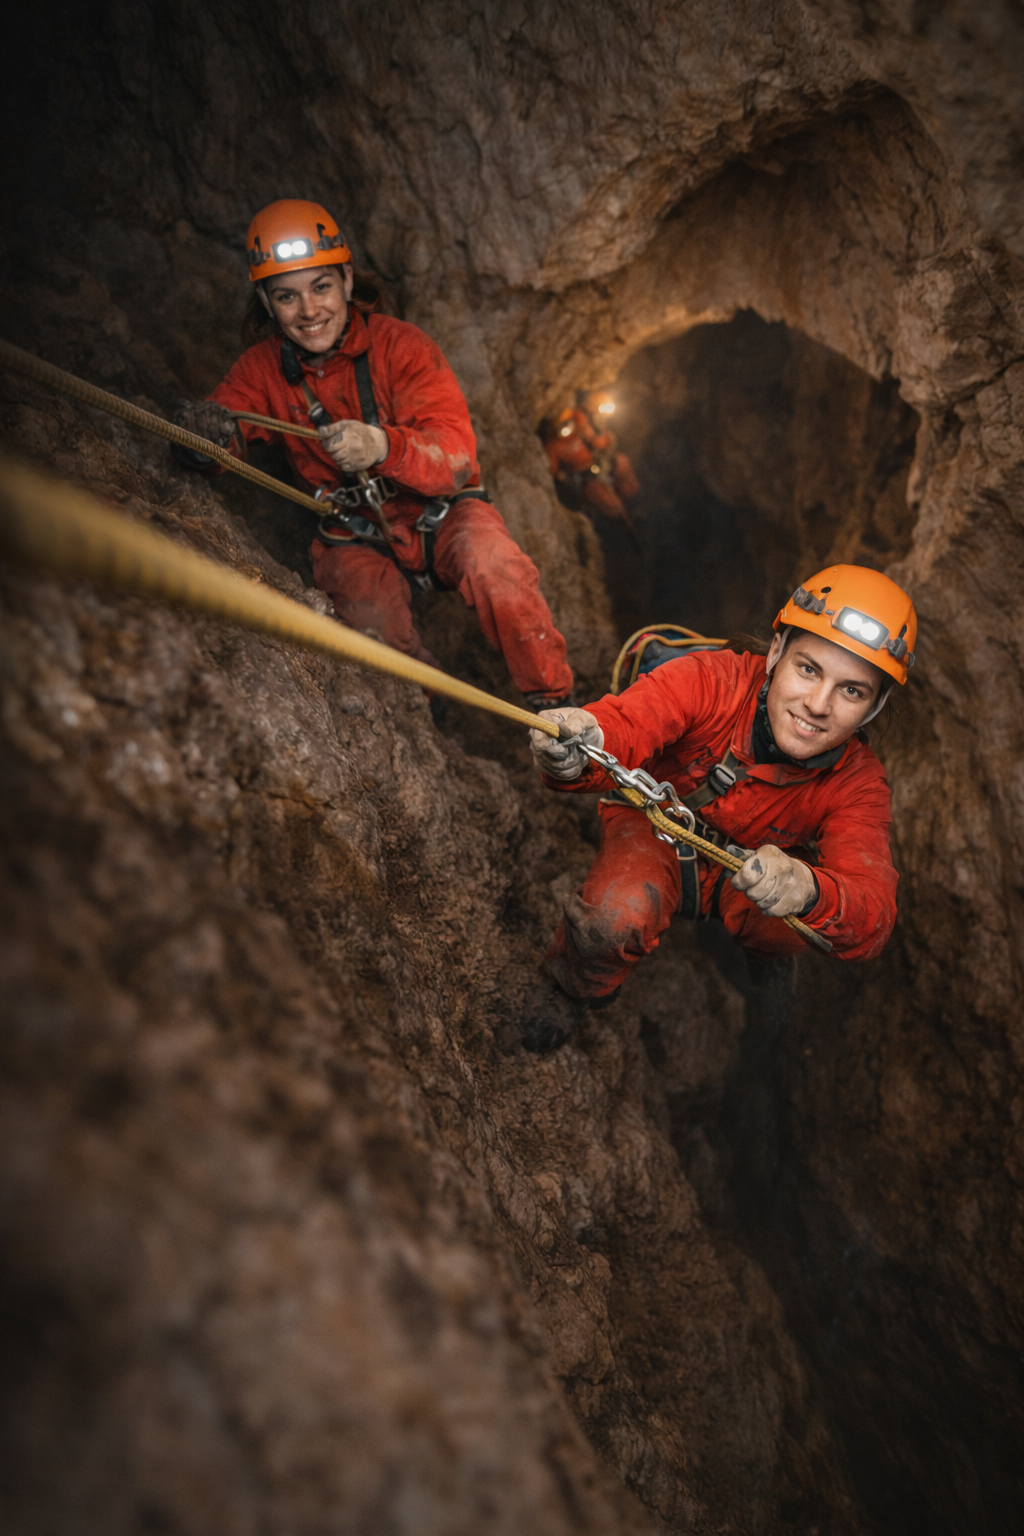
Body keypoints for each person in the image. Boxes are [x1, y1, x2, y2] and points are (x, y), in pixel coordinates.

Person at [175, 199, 573, 710]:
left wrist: (382, 444)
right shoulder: (261, 372)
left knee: (497, 566)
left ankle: (555, 706)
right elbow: (221, 434)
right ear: (267, 302)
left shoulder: (401, 348)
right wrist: (200, 441)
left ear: (345, 279)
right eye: (287, 297)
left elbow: (455, 457)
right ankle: (430, 707)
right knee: (376, 638)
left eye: (320, 287)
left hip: (441, 516)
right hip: (353, 534)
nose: (309, 310)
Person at [524, 565, 917, 1050]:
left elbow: (873, 910)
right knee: (613, 920)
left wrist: (808, 890)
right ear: (776, 653)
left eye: (852, 691)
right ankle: (573, 989)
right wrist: (582, 740)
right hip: (655, 828)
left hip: (754, 876)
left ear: (874, 708)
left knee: (793, 928)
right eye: (808, 669)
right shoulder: (713, 681)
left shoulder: (858, 783)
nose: (818, 704)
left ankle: (766, 955)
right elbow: (630, 722)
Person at [542, 389, 640, 524]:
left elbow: (600, 436)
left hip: (597, 459)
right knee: (600, 496)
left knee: (622, 463)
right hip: (582, 475)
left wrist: (601, 431)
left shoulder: (580, 418)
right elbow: (553, 472)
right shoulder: (553, 446)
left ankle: (635, 500)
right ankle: (618, 521)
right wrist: (563, 477)